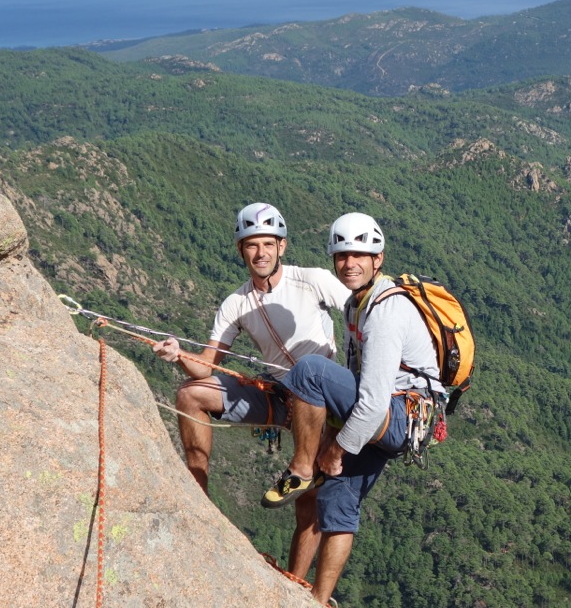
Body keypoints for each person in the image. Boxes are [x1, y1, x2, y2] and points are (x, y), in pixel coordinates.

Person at [151, 202, 350, 580]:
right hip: (278, 394)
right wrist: (178, 355)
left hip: (320, 401)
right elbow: (206, 365)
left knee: (309, 498)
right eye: (252, 245)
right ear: (241, 250)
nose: (261, 253)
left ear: (282, 246)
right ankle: (197, 495)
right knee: (190, 394)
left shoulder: (312, 280)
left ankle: (294, 583)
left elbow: (358, 315)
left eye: (268, 244)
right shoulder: (236, 303)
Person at [259, 211, 441, 607]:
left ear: (378, 259)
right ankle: (318, 600)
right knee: (337, 503)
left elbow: (372, 403)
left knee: (309, 371)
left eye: (359, 255)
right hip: (400, 422)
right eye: (342, 255)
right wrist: (332, 435)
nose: (349, 263)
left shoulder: (385, 311)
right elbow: (359, 383)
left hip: (395, 414)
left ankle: (301, 470)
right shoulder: (356, 305)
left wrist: (335, 449)